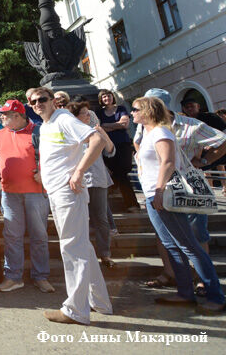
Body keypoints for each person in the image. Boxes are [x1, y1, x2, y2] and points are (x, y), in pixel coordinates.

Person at [132, 96, 225, 314]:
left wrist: (159, 191)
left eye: (135, 109)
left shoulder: (161, 132)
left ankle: (216, 296)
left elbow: (168, 162)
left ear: (147, 111)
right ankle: (185, 293)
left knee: (189, 245)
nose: (132, 113)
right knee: (171, 245)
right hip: (152, 195)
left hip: (163, 195)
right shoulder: (147, 133)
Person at [28, 87, 111, 325]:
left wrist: (79, 171)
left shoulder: (63, 118)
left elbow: (96, 139)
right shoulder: (46, 125)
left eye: (42, 99)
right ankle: (100, 302)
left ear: (53, 100)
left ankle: (76, 310)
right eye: (33, 101)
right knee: (81, 246)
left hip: (68, 192)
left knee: (72, 248)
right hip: (58, 192)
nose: (37, 104)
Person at [0, 100, 54, 294]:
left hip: (36, 192)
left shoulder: (39, 132)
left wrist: (44, 172)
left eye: (5, 115)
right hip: (9, 193)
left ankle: (41, 276)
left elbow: (53, 157)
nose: (1, 117)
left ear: (17, 116)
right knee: (12, 236)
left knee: (39, 236)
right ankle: (13, 277)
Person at [67, 100, 116, 269]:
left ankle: (105, 254)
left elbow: (111, 151)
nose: (89, 116)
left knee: (101, 218)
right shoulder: (70, 132)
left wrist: (102, 133)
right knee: (82, 219)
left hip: (97, 178)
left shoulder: (95, 131)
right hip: (78, 181)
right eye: (85, 114)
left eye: (89, 113)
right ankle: (85, 254)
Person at [95, 89, 139, 213]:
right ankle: (132, 204)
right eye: (103, 97)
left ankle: (124, 202)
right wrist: (117, 125)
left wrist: (108, 126)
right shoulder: (99, 112)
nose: (106, 98)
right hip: (108, 146)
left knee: (123, 170)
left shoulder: (120, 108)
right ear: (101, 99)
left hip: (123, 144)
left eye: (108, 96)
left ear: (112, 97)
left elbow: (125, 124)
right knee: (120, 174)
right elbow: (99, 127)